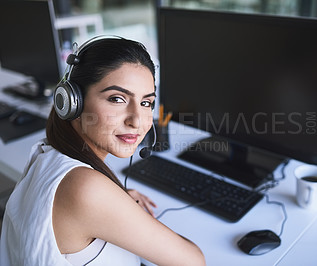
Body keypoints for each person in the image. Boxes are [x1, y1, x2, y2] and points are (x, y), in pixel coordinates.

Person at [0, 36, 206, 266]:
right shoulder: (86, 189)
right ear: (71, 102)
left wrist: (117, 204)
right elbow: (194, 261)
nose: (137, 121)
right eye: (117, 99)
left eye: (146, 102)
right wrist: (124, 211)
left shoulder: (47, 153)